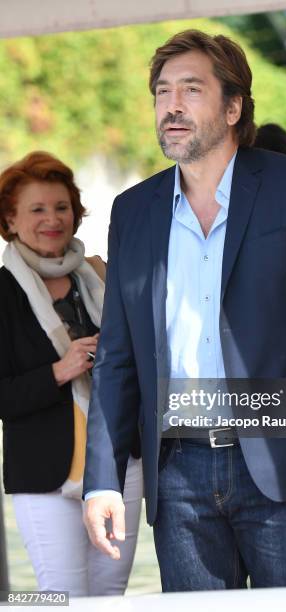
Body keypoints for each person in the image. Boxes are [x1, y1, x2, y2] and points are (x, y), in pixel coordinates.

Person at [83, 29, 286, 591]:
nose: (173, 106)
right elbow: (116, 357)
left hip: (284, 465)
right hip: (178, 474)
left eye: (192, 89)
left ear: (233, 106)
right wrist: (103, 481)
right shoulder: (133, 211)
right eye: (163, 93)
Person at [0, 151, 143, 596]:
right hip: (45, 473)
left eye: (61, 207)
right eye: (37, 209)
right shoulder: (2, 294)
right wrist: (59, 372)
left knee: (111, 596)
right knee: (58, 598)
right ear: (10, 219)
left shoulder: (100, 275)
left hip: (120, 464)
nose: (52, 219)